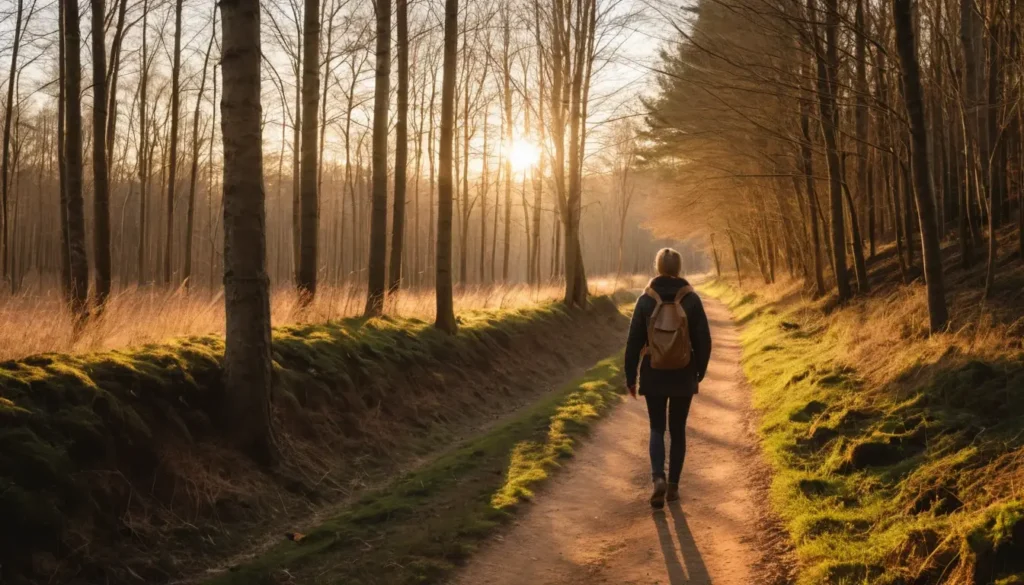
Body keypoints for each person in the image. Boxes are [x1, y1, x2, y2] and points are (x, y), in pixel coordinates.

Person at [625, 248, 712, 509]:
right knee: (677, 430)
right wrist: (700, 371)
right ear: (679, 268)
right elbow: (704, 340)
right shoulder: (691, 299)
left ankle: (658, 479)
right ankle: (673, 487)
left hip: (654, 372)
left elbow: (633, 342)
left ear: (658, 266)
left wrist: (631, 377)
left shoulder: (645, 299)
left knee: (656, 428)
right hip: (684, 373)